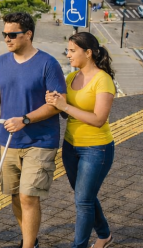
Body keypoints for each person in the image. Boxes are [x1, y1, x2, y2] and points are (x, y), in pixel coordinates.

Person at [0, 12, 66, 248]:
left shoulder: (48, 64)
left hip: (40, 141)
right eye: (4, 34)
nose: (7, 39)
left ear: (28, 34)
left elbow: (57, 104)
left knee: (28, 196)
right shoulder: (1, 62)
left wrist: (25, 120)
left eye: (12, 34)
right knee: (16, 196)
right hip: (8, 142)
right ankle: (30, 239)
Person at [46, 32, 116, 248]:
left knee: (83, 201)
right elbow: (65, 114)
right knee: (85, 197)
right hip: (70, 147)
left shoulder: (103, 80)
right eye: (67, 50)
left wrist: (65, 106)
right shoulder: (71, 78)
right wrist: (55, 102)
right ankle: (104, 235)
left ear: (88, 53)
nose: (68, 54)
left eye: (72, 50)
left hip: (96, 149)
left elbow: (98, 119)